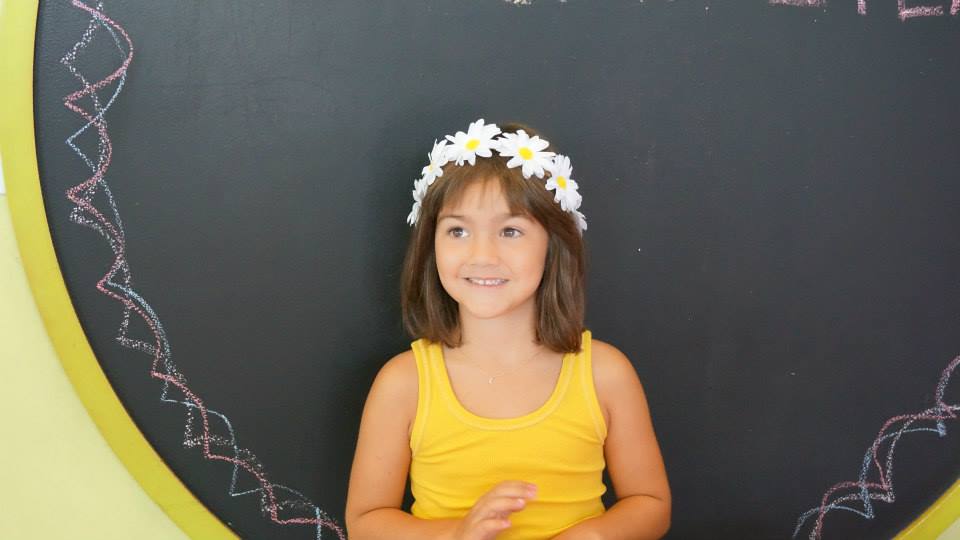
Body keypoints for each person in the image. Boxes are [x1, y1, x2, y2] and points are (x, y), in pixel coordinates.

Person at [345, 119, 670, 539]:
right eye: (458, 230)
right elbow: (366, 520)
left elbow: (651, 503)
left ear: (553, 245)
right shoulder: (404, 383)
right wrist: (457, 534)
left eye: (510, 231)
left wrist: (590, 537)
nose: (482, 255)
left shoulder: (604, 374)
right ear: (431, 244)